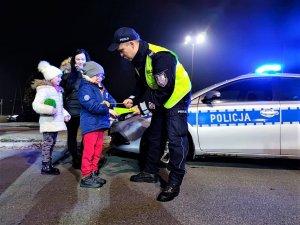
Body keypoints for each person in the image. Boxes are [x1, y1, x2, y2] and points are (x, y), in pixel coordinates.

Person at [108, 27, 192, 202]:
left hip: (177, 97)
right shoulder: (138, 60)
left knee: (176, 138)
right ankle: (150, 172)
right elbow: (141, 84)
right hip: (161, 98)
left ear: (132, 44)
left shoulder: (160, 57)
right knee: (155, 136)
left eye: (121, 50)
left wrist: (144, 107)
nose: (120, 55)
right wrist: (132, 98)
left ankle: (175, 182)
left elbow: (166, 89)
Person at [78, 61, 118, 188]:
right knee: (89, 151)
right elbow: (92, 106)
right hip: (90, 125)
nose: (100, 78)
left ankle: (93, 172)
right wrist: (107, 108)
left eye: (102, 75)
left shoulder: (101, 87)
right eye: (97, 75)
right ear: (90, 74)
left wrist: (109, 104)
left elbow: (112, 101)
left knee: (97, 150)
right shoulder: (85, 88)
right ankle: (86, 176)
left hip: (100, 124)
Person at [32, 61, 71, 175]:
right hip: (48, 122)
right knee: (48, 144)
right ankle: (45, 167)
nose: (60, 79)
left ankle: (48, 164)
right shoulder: (44, 89)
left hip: (54, 122)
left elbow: (59, 106)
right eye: (57, 77)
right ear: (50, 78)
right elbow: (36, 105)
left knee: (51, 143)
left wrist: (65, 114)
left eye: (60, 77)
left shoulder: (56, 90)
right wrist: (50, 110)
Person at [60, 49, 91, 169]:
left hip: (86, 109)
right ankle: (75, 159)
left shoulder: (91, 75)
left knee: (87, 135)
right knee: (72, 135)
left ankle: (84, 157)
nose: (80, 61)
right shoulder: (68, 76)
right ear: (74, 61)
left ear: (86, 60)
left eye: (82, 59)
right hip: (71, 110)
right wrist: (62, 109)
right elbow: (59, 91)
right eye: (77, 59)